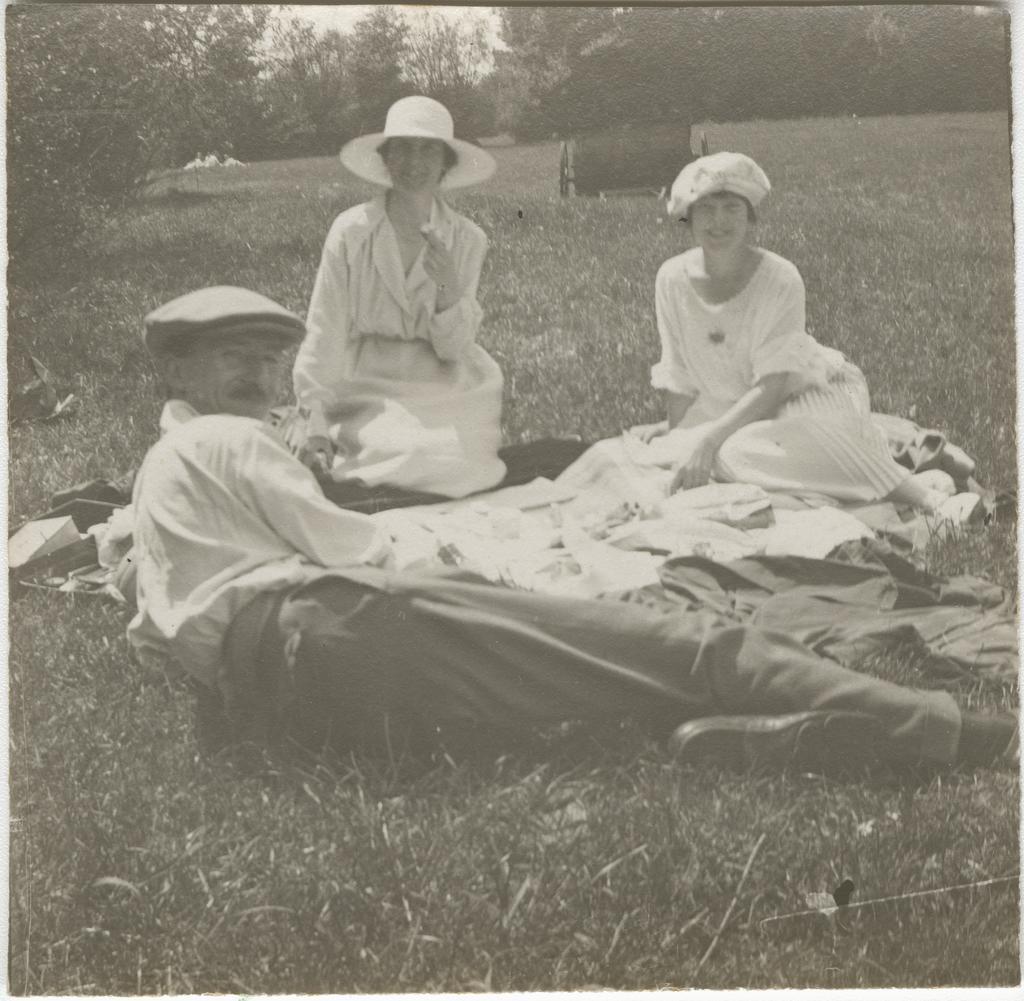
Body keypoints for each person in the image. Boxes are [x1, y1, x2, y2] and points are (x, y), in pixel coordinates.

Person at [129, 286, 1017, 774]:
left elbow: (158, 626)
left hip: (288, 707)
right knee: (686, 639)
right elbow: (362, 550)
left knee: (576, 690)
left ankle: (777, 738)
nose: (255, 373)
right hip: (341, 632)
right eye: (229, 355)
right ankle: (948, 729)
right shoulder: (230, 440)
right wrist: (495, 576)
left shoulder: (163, 469)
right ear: (177, 368)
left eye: (265, 356)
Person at [632, 152, 947, 510]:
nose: (718, 222)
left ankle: (927, 499)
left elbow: (773, 386)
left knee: (733, 453)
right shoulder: (671, 279)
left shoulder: (781, 278)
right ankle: (870, 479)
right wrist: (680, 435)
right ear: (688, 218)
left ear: (750, 216)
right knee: (698, 456)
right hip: (736, 407)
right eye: (706, 209)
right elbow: (679, 374)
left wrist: (705, 443)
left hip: (810, 390)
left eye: (731, 209)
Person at [292, 95, 505, 499]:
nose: (414, 163)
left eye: (428, 150)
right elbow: (326, 325)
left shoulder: (467, 238)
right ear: (386, 159)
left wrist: (446, 289)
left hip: (443, 378)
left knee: (454, 460)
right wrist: (314, 410)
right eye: (402, 149)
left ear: (446, 162)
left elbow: (454, 348)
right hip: (368, 376)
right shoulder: (352, 232)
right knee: (406, 456)